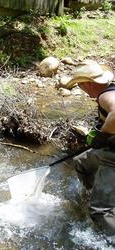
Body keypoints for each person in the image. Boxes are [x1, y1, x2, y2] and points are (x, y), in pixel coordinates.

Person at [63, 60, 115, 239]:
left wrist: (103, 134)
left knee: (99, 211)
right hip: (110, 148)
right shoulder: (110, 90)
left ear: (88, 83)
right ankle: (97, 192)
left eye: (79, 85)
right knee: (81, 162)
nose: (81, 90)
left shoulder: (105, 96)